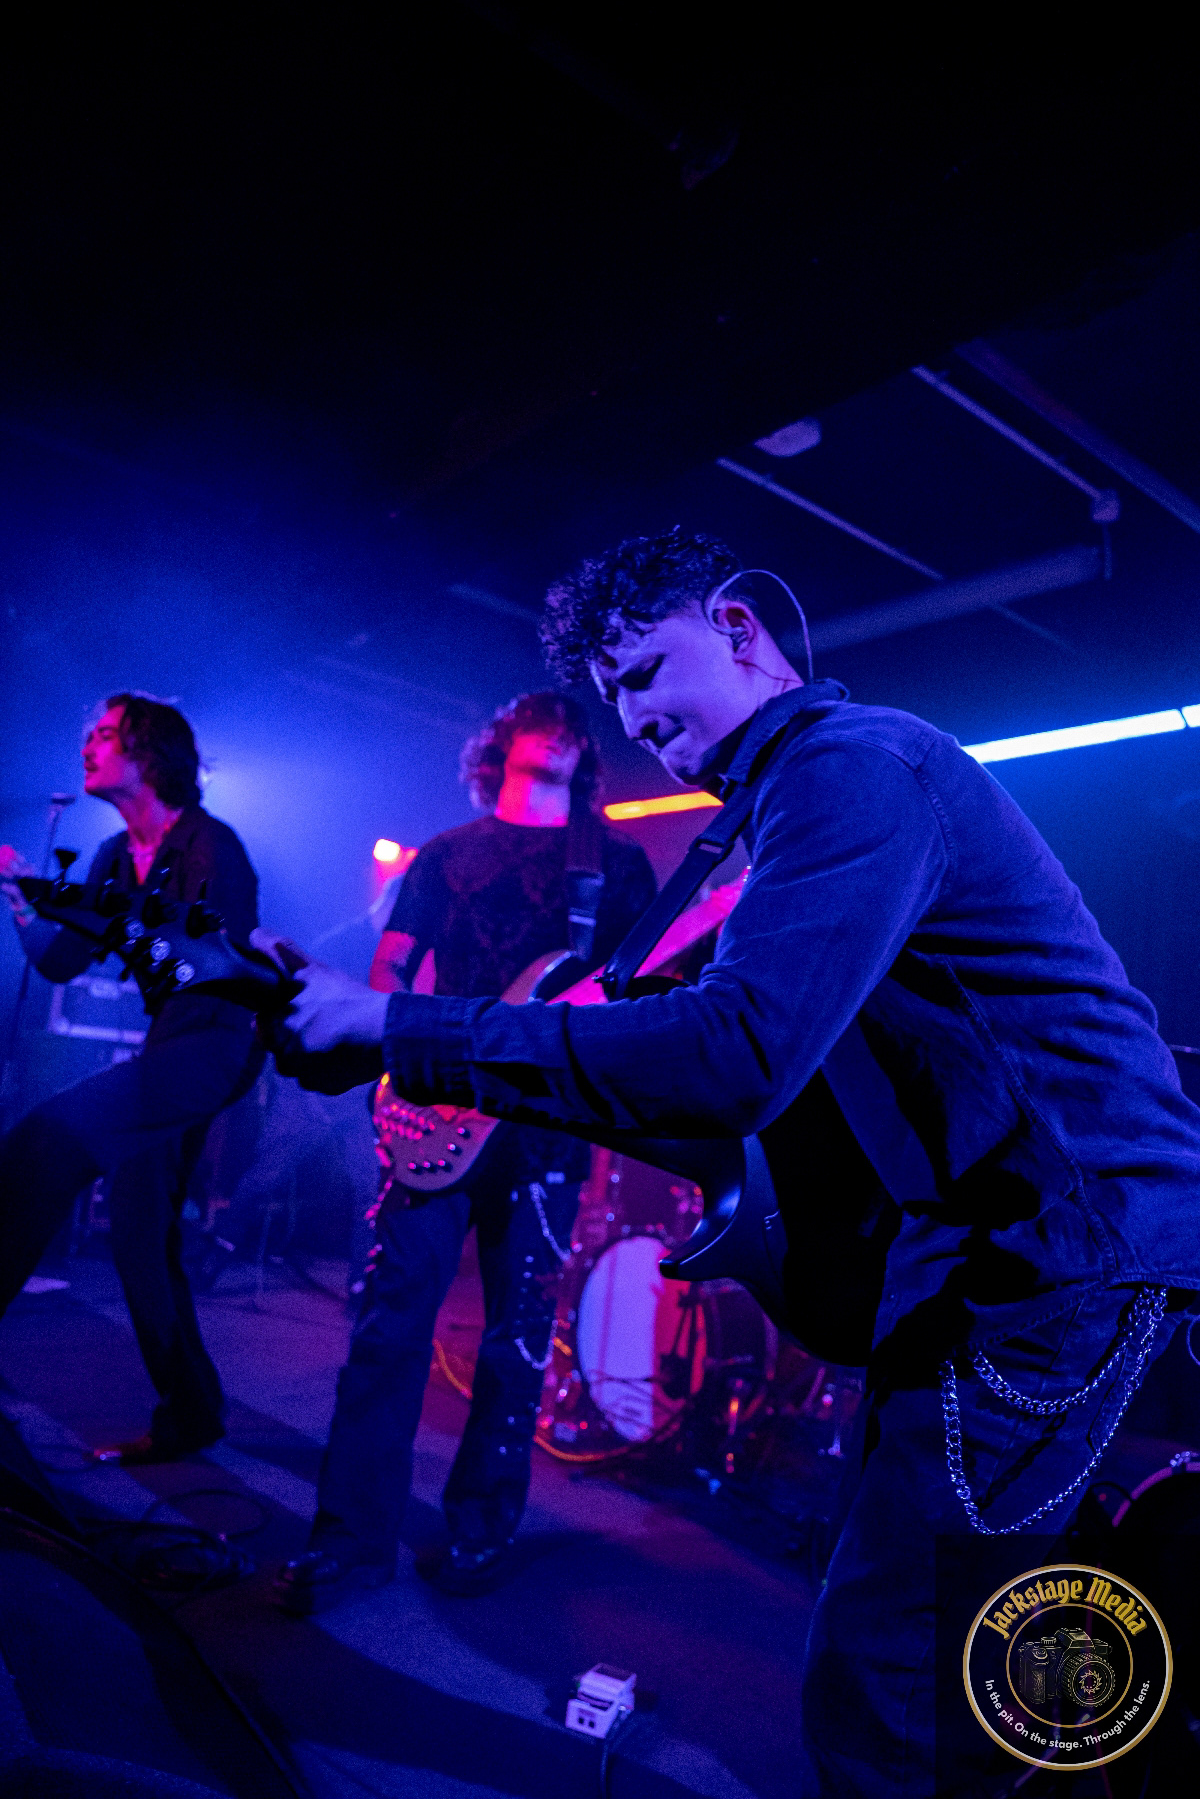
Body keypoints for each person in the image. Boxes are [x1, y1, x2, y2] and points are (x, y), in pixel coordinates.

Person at [259, 529, 1200, 1794]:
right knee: (956, 1636)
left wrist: (400, 1029)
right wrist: (421, 1050)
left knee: (890, 1682)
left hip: (1060, 1253)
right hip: (982, 1254)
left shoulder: (852, 768)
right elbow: (687, 1068)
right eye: (614, 695)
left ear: (743, 628)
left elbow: (734, 1055)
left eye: (650, 669)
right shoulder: (778, 816)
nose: (636, 719)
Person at [276, 691, 656, 1612]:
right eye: (539, 716)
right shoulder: (447, 854)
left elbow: (641, 993)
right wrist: (397, 1070)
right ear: (500, 744)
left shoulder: (617, 866)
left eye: (573, 722)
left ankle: (481, 1527)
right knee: (388, 1327)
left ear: (586, 755)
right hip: (435, 1103)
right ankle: (349, 1541)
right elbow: (389, 974)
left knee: (516, 1341)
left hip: (547, 1124)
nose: (558, 727)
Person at [0, 693, 263, 1463]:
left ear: (148, 753)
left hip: (216, 1043)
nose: (88, 746)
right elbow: (61, 961)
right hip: (170, 1046)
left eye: (106, 735)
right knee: (140, 1231)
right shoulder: (115, 856)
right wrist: (24, 906)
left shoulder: (213, 846)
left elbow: (221, 968)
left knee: (46, 1140)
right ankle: (193, 1415)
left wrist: (124, 924)